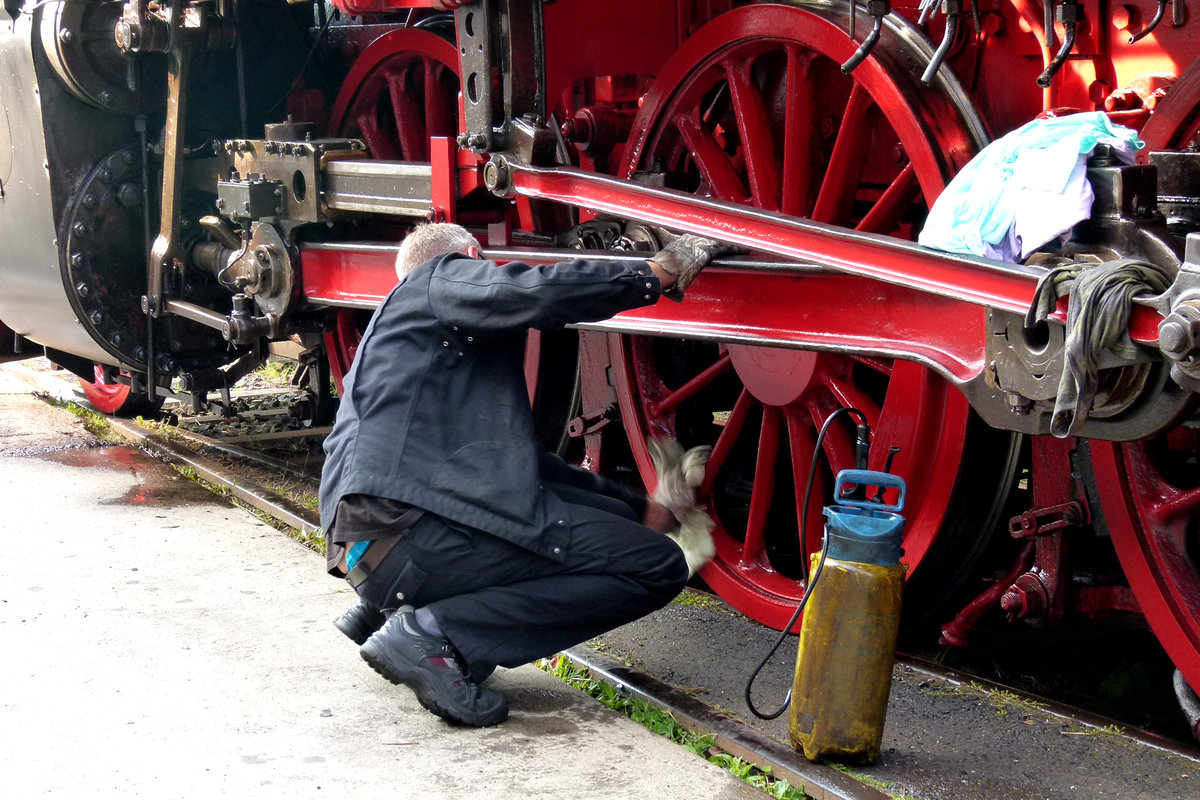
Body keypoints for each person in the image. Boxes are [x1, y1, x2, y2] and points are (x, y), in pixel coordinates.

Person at [318, 222, 735, 727]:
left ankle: (413, 624)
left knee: (606, 533)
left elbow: (522, 470)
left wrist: (638, 510)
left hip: (374, 551)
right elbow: (535, 290)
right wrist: (654, 274)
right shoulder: (439, 279)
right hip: (418, 530)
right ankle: (432, 633)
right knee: (655, 566)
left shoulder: (403, 351)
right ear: (471, 257)